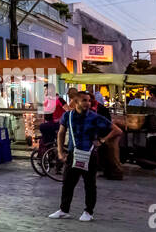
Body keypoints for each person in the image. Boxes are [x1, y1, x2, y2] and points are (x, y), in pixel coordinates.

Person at [50, 89, 121, 221]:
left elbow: (117, 130)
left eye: (89, 101)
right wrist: (60, 151)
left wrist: (102, 140)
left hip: (90, 155)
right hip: (73, 154)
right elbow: (60, 133)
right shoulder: (68, 116)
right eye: (84, 100)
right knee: (67, 183)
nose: (88, 103)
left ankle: (88, 212)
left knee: (89, 184)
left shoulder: (95, 117)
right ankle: (64, 210)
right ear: (76, 101)